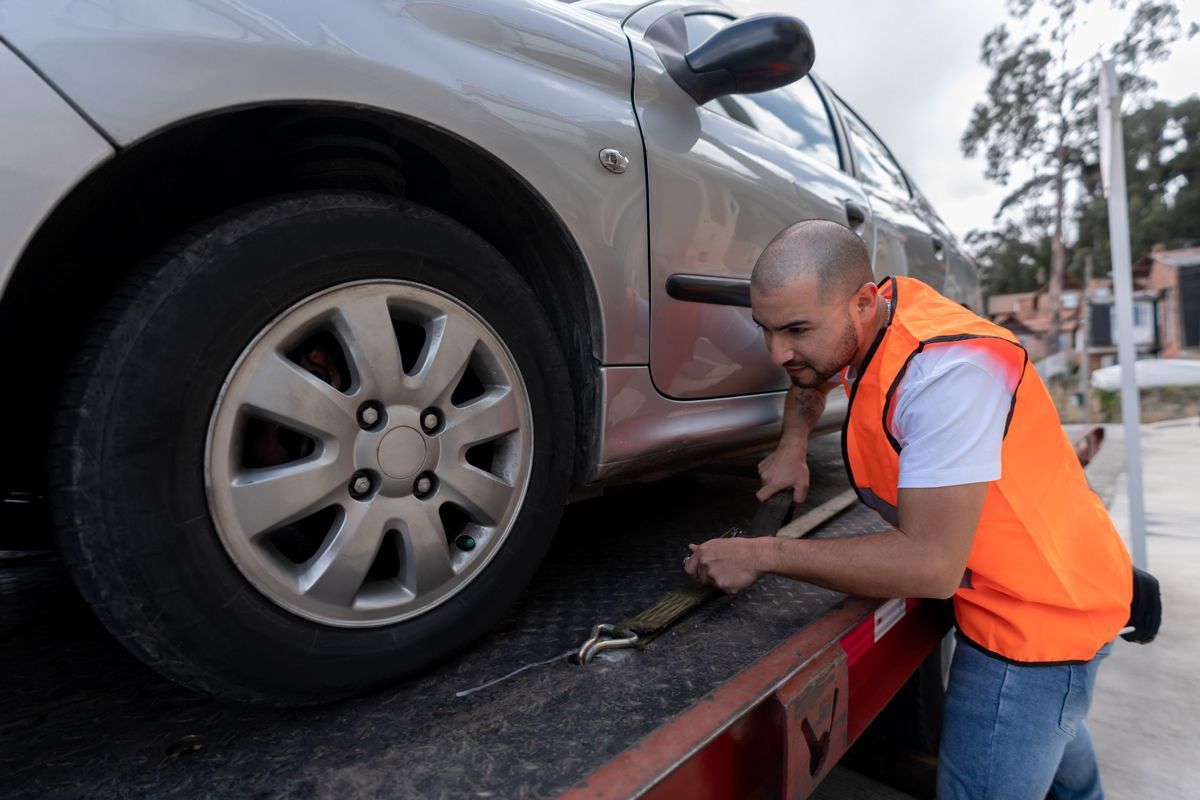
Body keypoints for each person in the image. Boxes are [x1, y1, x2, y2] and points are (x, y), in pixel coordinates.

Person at [684, 219, 1132, 800]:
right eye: (764, 329)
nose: (777, 352)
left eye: (795, 329)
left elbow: (930, 566)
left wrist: (763, 554)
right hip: (1049, 578)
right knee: (1065, 756)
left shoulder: (948, 375)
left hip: (1035, 619)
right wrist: (793, 447)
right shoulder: (870, 318)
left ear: (863, 302)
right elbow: (813, 373)